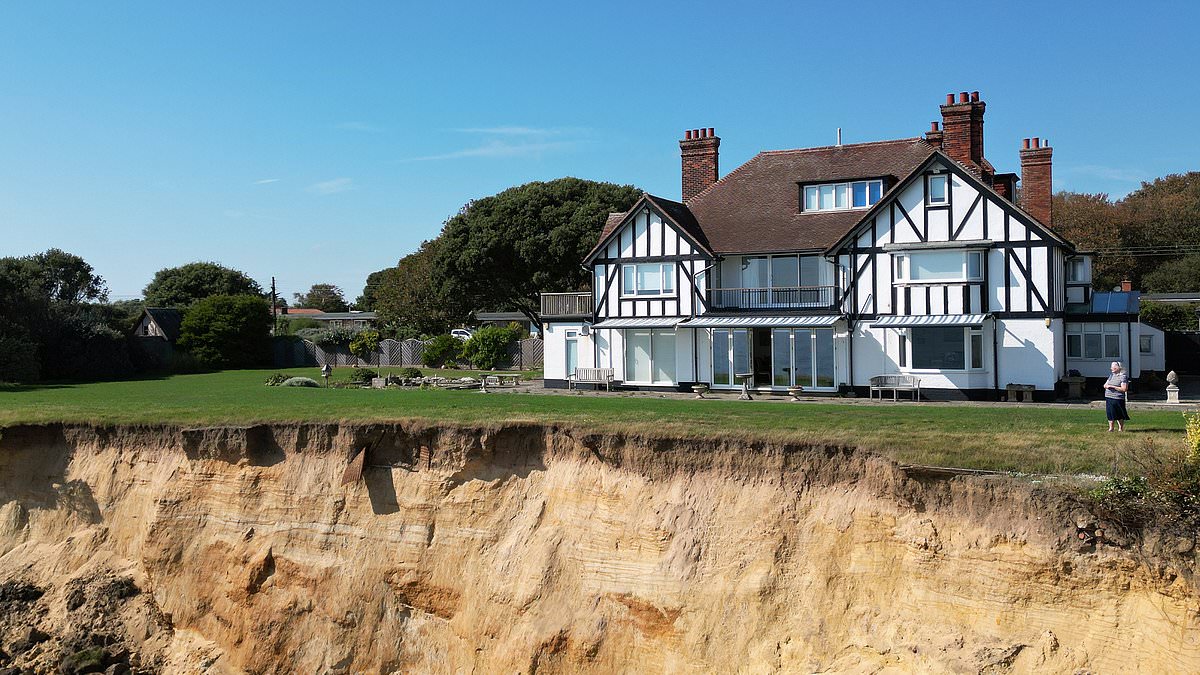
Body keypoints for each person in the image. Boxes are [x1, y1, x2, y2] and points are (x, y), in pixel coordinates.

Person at [1103, 361, 1130, 432]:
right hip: (1109, 397)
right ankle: (1111, 428)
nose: (1111, 368)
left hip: (1118, 398)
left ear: (1118, 368)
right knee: (1110, 413)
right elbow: (1105, 385)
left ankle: (1120, 428)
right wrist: (1106, 386)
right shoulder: (1111, 375)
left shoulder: (1123, 377)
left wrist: (1112, 387)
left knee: (1119, 414)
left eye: (1113, 367)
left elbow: (1124, 389)